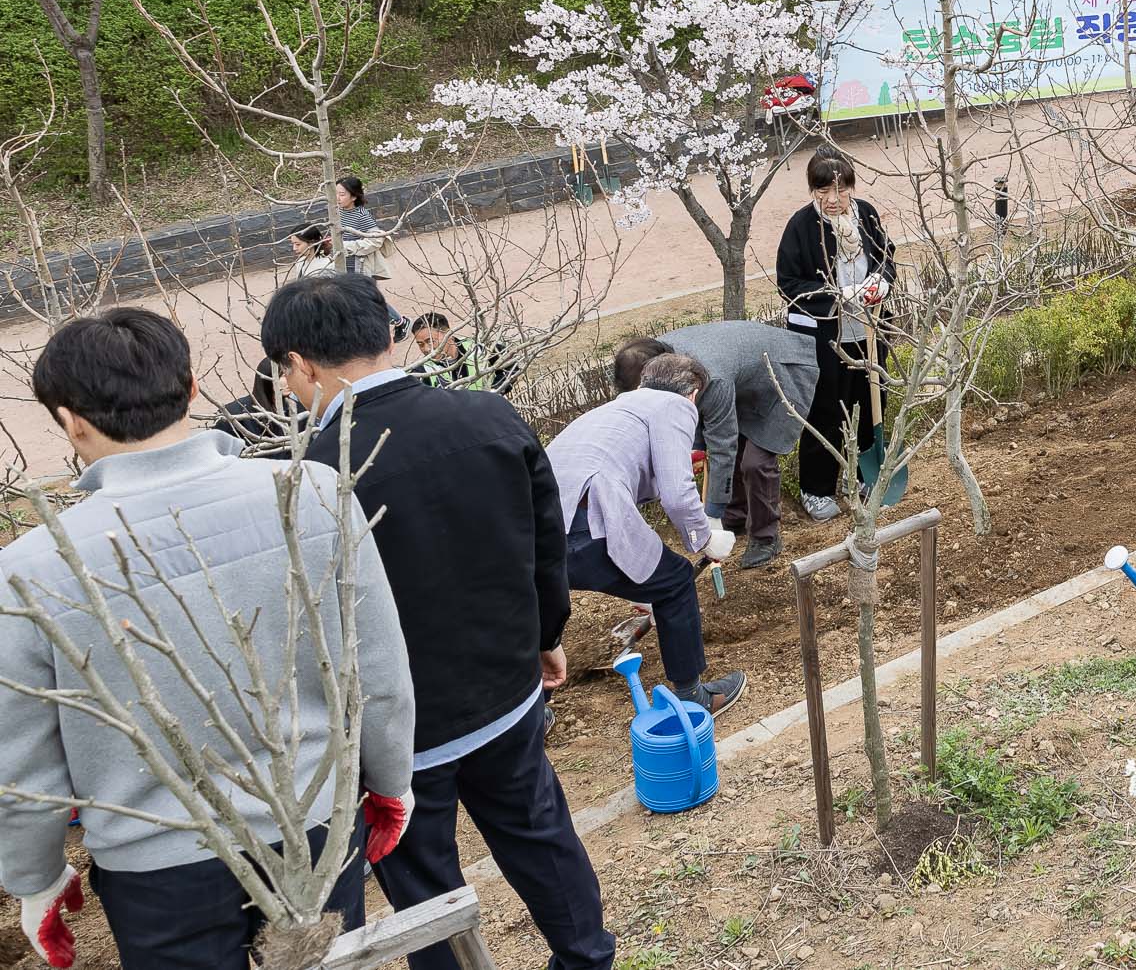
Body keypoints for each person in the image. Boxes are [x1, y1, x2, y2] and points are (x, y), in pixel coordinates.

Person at [1, 308, 415, 970]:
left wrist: (35, 879)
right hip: (313, 823)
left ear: (68, 420)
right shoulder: (311, 490)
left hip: (157, 864)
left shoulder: (32, 566)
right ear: (193, 387)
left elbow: (24, 766)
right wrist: (392, 781)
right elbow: (377, 670)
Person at [274, 275, 615, 970]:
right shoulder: (489, 415)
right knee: (539, 831)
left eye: (285, 373)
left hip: (399, 735)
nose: (289, 388)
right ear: (388, 333)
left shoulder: (314, 475)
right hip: (505, 689)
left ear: (302, 363)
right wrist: (548, 636)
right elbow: (544, 540)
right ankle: (587, 957)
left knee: (425, 886)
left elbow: (315, 624)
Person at [546, 353, 745, 713]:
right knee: (675, 581)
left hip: (534, 527)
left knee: (538, 618)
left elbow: (620, 463)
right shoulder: (676, 406)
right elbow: (678, 494)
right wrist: (706, 538)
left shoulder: (618, 409)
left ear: (642, 382)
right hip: (583, 527)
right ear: (694, 394)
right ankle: (692, 697)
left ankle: (533, 715)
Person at [619, 321, 821, 570]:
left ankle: (765, 537)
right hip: (742, 375)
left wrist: (711, 513)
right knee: (732, 447)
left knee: (755, 462)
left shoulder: (706, 376)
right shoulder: (655, 357)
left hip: (783, 372)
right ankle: (735, 516)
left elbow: (722, 447)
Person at [776, 147, 896, 521]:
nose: (832, 200)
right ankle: (816, 488)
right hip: (825, 337)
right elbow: (789, 282)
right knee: (826, 409)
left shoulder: (867, 215)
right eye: (823, 192)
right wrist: (837, 296)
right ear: (812, 190)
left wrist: (881, 282)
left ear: (851, 188)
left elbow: (885, 256)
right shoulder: (801, 226)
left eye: (841, 191)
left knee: (871, 399)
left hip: (869, 329)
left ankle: (861, 475)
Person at [408, 311, 517, 394]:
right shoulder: (422, 372)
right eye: (420, 344)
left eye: (431, 341)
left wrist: (494, 391)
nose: (427, 349)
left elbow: (511, 365)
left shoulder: (476, 348)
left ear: (448, 334)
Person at [334, 176, 388, 279]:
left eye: (341, 194)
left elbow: (376, 240)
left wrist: (345, 246)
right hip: (341, 265)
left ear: (354, 197)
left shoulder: (362, 215)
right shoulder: (337, 212)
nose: (337, 198)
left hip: (357, 269)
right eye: (335, 193)